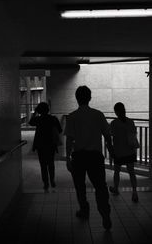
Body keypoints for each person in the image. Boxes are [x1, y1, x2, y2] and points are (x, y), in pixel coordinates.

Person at [64, 85, 114, 230]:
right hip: (95, 157)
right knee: (100, 187)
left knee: (80, 187)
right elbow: (107, 136)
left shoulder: (72, 116)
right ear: (90, 98)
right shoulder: (98, 115)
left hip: (78, 157)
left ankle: (84, 210)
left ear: (76, 98)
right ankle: (105, 215)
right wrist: (111, 152)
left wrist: (68, 158)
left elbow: (69, 140)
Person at [109, 102, 139, 202]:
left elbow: (111, 136)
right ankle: (134, 192)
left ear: (116, 112)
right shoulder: (131, 122)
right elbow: (134, 134)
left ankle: (116, 189)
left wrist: (111, 150)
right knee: (132, 172)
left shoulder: (114, 123)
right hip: (130, 151)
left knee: (117, 171)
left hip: (119, 151)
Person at [29, 102, 62, 191]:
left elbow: (30, 122)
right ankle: (52, 180)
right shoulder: (53, 119)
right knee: (51, 163)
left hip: (40, 145)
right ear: (48, 109)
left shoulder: (38, 119)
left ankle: (46, 183)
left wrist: (35, 112)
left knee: (43, 165)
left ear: (39, 110)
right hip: (51, 144)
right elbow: (60, 130)